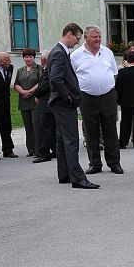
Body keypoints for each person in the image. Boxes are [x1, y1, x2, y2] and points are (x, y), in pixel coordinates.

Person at [49, 23, 99, 189]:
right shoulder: (58, 52)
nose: (77, 42)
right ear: (69, 34)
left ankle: (64, 174)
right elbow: (55, 78)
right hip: (63, 103)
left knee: (62, 140)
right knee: (71, 140)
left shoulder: (60, 51)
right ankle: (78, 178)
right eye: (77, 38)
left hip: (59, 102)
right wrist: (68, 96)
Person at [71, 26, 124, 174]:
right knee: (91, 131)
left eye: (99, 37)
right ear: (86, 38)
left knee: (111, 130)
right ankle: (95, 164)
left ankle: (114, 163)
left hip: (108, 96)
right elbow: (72, 77)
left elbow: (114, 73)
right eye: (95, 37)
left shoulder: (107, 52)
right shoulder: (76, 55)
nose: (98, 39)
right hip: (87, 97)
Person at [13, 48, 42, 157]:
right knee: (28, 126)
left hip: (35, 100)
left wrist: (30, 91)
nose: (28, 59)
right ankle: (30, 149)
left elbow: (41, 82)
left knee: (36, 125)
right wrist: (22, 91)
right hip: (24, 101)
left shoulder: (39, 69)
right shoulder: (20, 70)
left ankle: (39, 149)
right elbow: (16, 83)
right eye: (26, 57)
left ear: (34, 57)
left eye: (30, 56)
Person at [116, 50, 134, 149]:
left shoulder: (122, 72)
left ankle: (123, 142)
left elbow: (118, 88)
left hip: (126, 101)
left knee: (125, 122)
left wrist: (118, 100)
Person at [32, 50, 55, 163]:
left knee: (44, 128)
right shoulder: (47, 69)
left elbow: (44, 85)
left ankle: (43, 153)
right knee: (51, 128)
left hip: (47, 102)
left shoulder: (48, 70)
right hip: (48, 102)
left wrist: (36, 94)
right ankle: (54, 150)